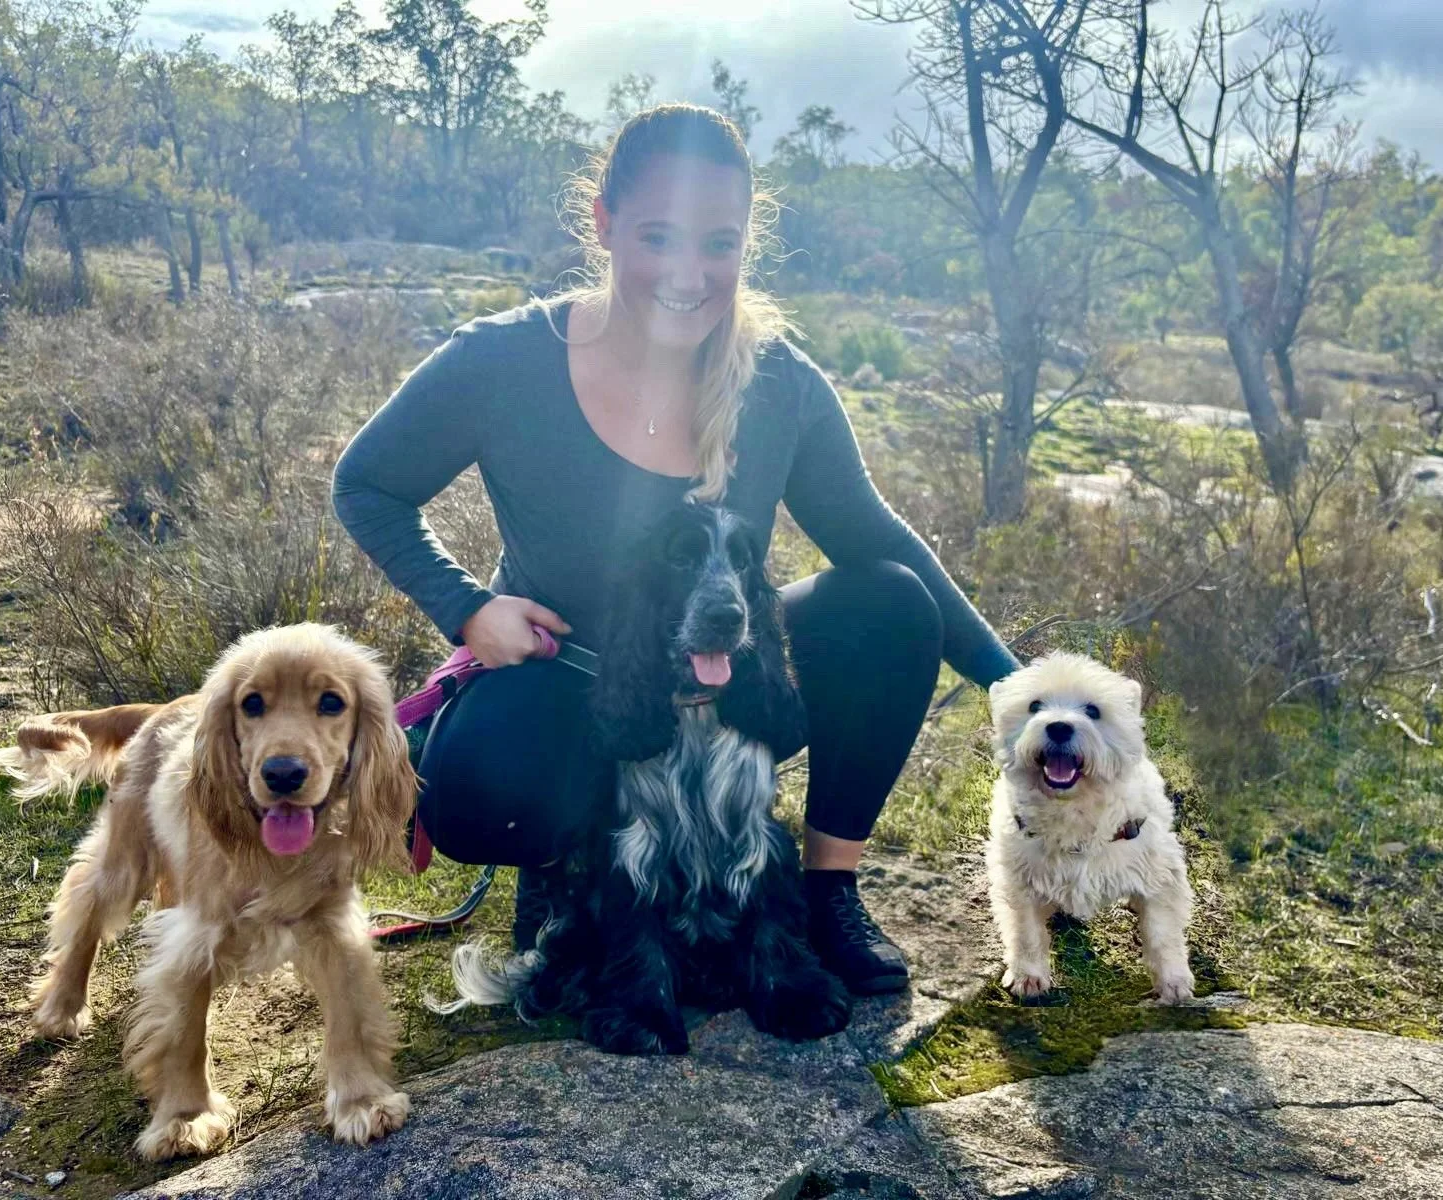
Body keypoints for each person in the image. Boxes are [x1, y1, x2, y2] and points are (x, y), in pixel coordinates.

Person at [332, 104, 1019, 997]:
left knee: (889, 604)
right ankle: (574, 875)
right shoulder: (501, 361)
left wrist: (1020, 693)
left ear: (745, 247)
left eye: (719, 244)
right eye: (658, 238)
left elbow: (875, 539)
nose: (689, 275)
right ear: (605, 224)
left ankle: (823, 890)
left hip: (730, 678)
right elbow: (366, 483)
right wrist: (467, 605)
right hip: (574, 675)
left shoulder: (782, 385)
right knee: (478, 790)